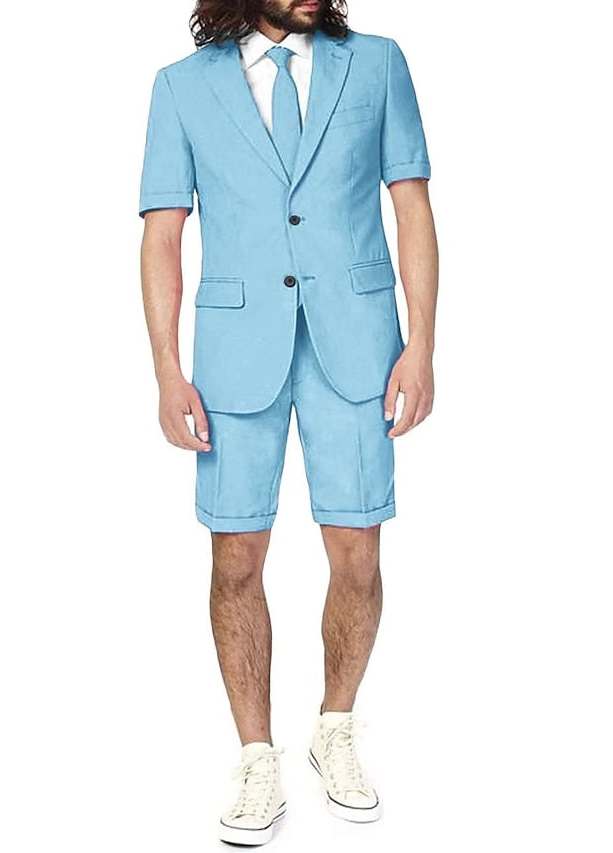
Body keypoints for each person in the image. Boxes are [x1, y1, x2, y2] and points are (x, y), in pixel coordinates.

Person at [138, 0, 438, 844]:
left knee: (358, 551)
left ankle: (335, 727)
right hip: (235, 354)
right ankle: (256, 753)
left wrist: (421, 344)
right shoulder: (180, 87)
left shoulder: (378, 64)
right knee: (236, 558)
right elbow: (162, 237)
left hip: (360, 346)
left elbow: (412, 207)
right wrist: (166, 369)